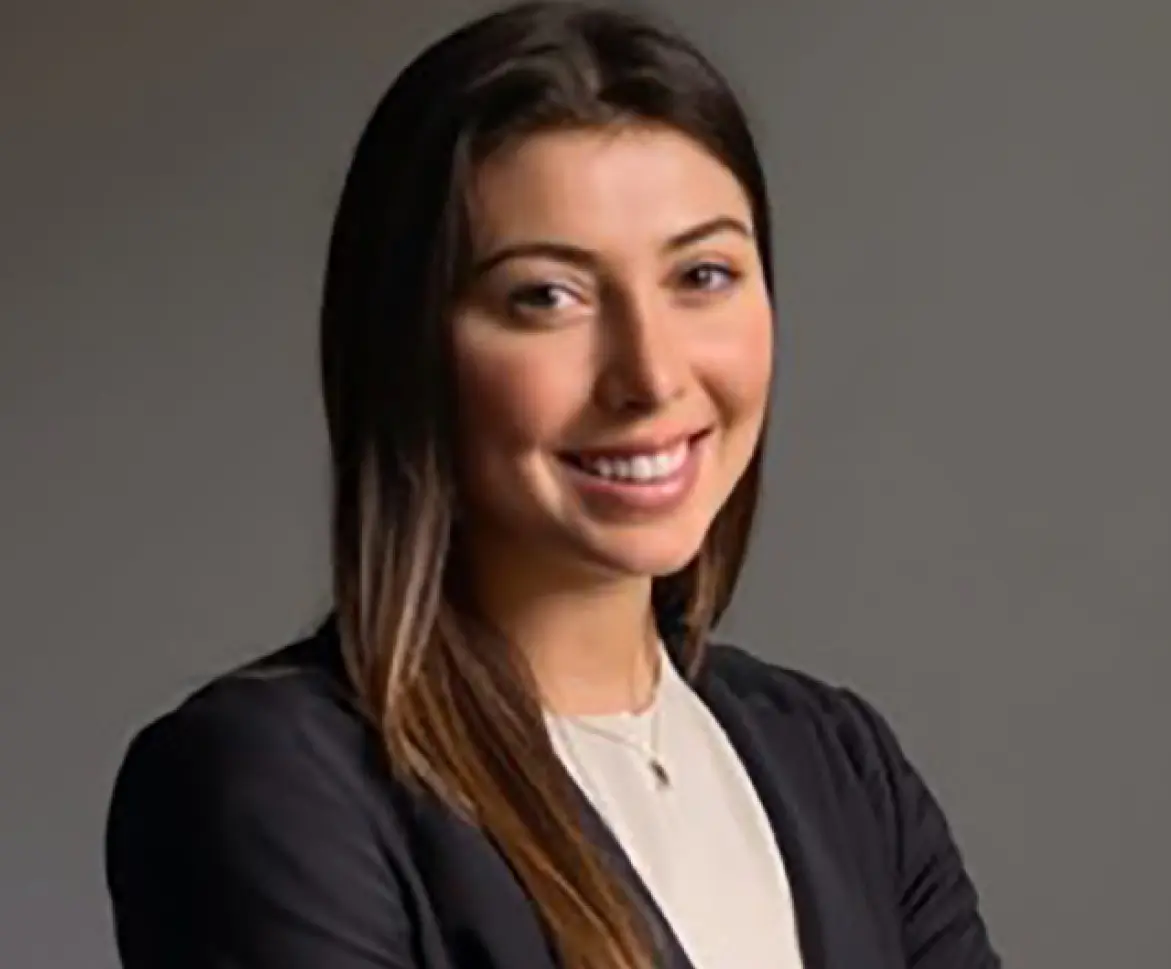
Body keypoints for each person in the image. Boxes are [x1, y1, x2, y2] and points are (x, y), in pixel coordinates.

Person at [104, 3, 1001, 968]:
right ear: (410, 347)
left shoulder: (842, 766)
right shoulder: (275, 783)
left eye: (703, 275)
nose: (650, 375)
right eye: (547, 296)